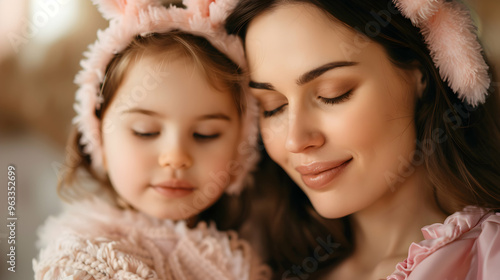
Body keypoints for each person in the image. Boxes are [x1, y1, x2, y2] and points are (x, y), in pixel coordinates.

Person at [226, 0, 500, 279]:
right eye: (272, 107)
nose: (295, 140)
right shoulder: (249, 264)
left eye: (333, 94)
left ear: (421, 75)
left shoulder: (489, 258)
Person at [33, 0, 271, 279]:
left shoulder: (257, 242)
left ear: (242, 148)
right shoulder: (86, 259)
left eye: (205, 134)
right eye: (145, 131)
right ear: (99, 137)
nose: (175, 156)